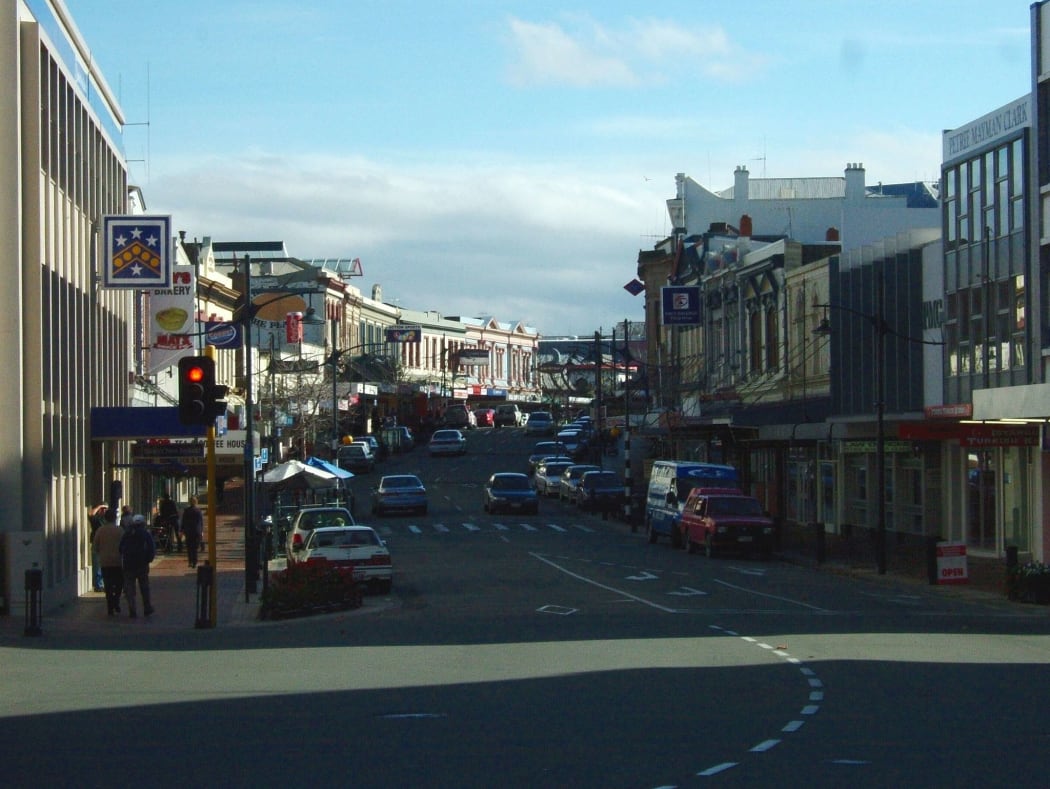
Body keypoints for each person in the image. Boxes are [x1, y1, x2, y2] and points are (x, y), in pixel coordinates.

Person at [119, 514, 156, 618]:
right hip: (142, 564)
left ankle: (132, 609)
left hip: (128, 564)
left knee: (129, 588)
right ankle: (147, 607)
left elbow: (120, 548)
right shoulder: (145, 534)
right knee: (144, 586)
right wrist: (148, 560)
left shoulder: (127, 534)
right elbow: (151, 548)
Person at [92, 511, 124, 615]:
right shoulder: (120, 530)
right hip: (118, 562)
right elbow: (124, 544)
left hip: (105, 562)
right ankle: (116, 600)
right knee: (119, 584)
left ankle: (110, 606)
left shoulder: (100, 530)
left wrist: (101, 552)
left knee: (108, 585)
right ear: (115, 518)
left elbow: (95, 546)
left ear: (105, 519)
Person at [180, 495, 204, 569]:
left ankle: (190, 561)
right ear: (196, 502)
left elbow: (183, 521)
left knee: (189, 547)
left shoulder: (186, 511)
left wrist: (182, 530)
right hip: (197, 531)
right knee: (195, 548)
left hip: (189, 531)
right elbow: (201, 522)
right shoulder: (198, 511)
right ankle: (195, 562)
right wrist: (202, 531)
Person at [88, 504, 108, 591]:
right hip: (97, 545)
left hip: (105, 545)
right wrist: (99, 507)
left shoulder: (106, 520)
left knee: (103, 565)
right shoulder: (96, 520)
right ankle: (98, 585)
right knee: (97, 565)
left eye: (105, 509)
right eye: (102, 509)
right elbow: (90, 514)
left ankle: (102, 583)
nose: (104, 511)